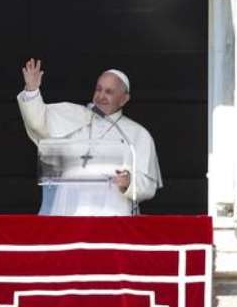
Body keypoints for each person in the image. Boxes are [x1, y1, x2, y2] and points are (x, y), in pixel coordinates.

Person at [17, 58, 162, 216]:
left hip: (113, 212)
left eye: (109, 92)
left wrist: (129, 183)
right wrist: (32, 91)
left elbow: (148, 185)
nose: (101, 96)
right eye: (98, 89)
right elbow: (39, 123)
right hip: (67, 208)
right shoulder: (74, 115)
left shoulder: (138, 134)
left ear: (124, 99)